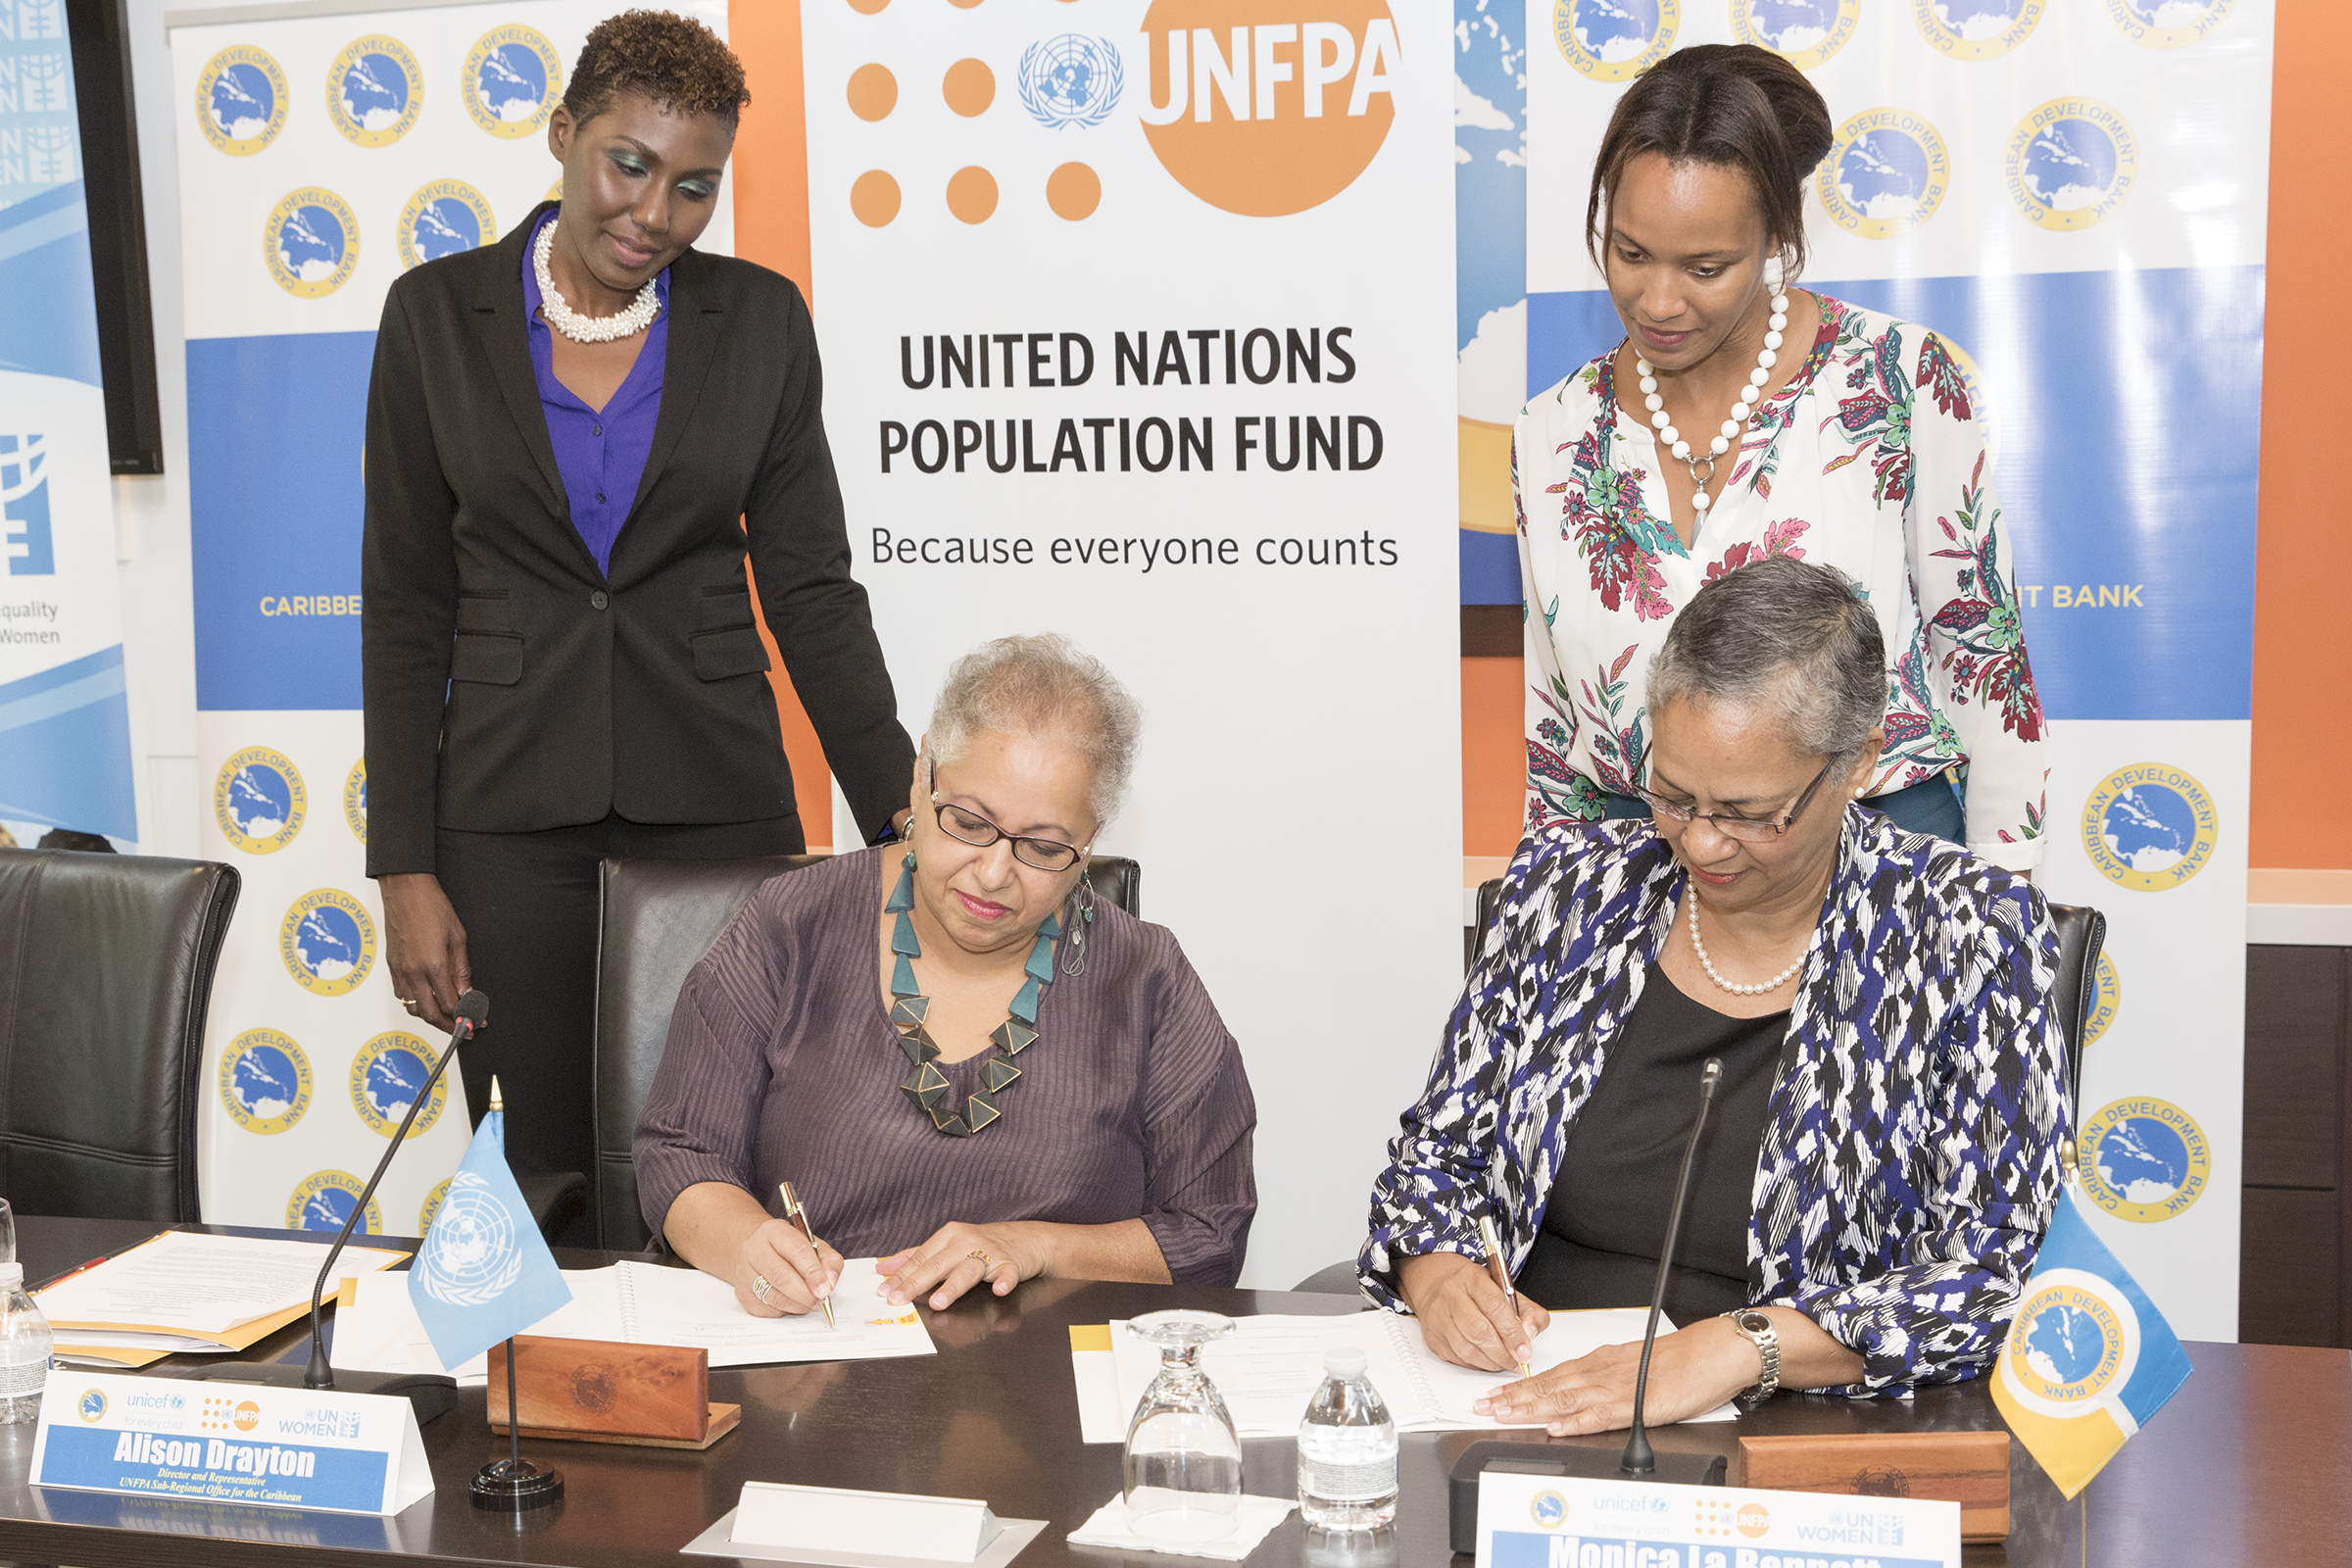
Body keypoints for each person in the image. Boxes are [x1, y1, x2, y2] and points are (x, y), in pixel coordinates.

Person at [363, 12, 916, 1179]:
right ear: (564, 133)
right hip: (505, 825)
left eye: (695, 188)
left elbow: (812, 589)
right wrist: (403, 867)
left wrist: (905, 826)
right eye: (630, 164)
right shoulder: (432, 318)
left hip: (717, 801)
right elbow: (407, 604)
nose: (655, 214)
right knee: (545, 1179)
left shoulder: (759, 322)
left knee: (734, 1171)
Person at [1363, 558, 2070, 1433]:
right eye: (1672, 795)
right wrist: (1438, 1276)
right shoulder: (1568, 892)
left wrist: (1740, 1347)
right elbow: (1435, 1161)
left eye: (1746, 811)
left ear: (1859, 762)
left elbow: (1992, 1269)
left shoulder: (1969, 932)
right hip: (1521, 1397)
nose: (1699, 841)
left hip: (1809, 1428)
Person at [1517, 44, 2046, 872]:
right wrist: (1551, 902)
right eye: (1630, 254)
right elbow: (1554, 722)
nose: (1658, 302)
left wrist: (2008, 893)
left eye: (1705, 267)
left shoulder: (1897, 382)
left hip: (1881, 865)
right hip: (1642, 870)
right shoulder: (1551, 431)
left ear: (1777, 236)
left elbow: (1983, 660)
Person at [635, 635, 1257, 1316]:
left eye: (1044, 847)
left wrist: (1038, 1248)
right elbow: (682, 1151)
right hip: (819, 1360)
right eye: (969, 822)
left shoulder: (1147, 980)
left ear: (1090, 841)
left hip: (1052, 1385)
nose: (994, 873)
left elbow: (1209, 1231)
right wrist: (749, 1249)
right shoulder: (794, 924)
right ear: (922, 775)